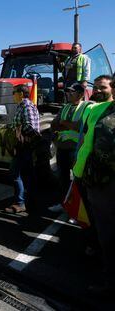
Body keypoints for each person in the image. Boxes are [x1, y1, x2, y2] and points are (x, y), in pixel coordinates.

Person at [72, 80, 115, 297]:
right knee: (101, 228)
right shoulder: (99, 109)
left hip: (107, 182)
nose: (98, 90)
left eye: (104, 87)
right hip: (92, 177)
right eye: (95, 87)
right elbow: (86, 140)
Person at [50, 83, 91, 199]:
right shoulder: (65, 106)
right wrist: (68, 125)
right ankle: (64, 203)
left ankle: (78, 208)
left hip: (76, 149)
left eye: (71, 92)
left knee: (78, 180)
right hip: (62, 148)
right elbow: (54, 125)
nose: (67, 94)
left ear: (80, 94)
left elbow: (80, 127)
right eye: (67, 92)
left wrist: (63, 122)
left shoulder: (87, 107)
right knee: (63, 178)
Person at [5, 84, 40, 213]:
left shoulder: (27, 106)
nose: (12, 95)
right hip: (23, 146)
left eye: (14, 92)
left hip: (24, 146)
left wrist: (16, 131)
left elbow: (30, 127)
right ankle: (30, 200)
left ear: (20, 93)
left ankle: (20, 202)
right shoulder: (22, 106)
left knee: (15, 173)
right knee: (27, 174)